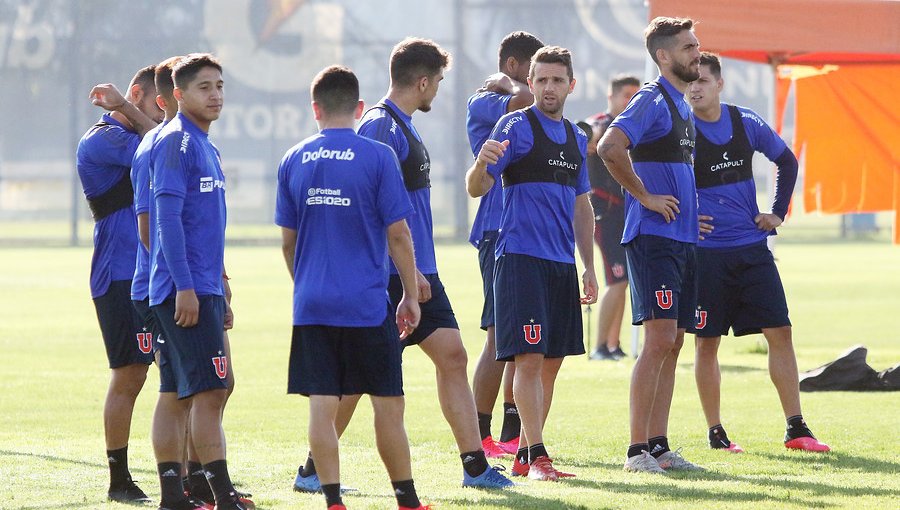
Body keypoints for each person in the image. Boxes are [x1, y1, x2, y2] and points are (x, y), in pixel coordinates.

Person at [293, 37, 512, 492]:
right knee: (358, 379)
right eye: (439, 82)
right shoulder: (379, 128)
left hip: (418, 268)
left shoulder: (402, 125)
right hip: (392, 274)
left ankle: (475, 466)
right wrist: (408, 278)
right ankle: (313, 470)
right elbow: (366, 204)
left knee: (452, 354)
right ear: (423, 80)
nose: (439, 90)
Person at [276, 64, 427, 510]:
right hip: (365, 303)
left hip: (312, 304)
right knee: (387, 404)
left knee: (322, 406)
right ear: (360, 108)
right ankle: (407, 500)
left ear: (315, 109)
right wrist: (411, 295)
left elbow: (288, 242)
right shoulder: (377, 156)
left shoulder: (293, 158)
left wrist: (305, 283)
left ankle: (333, 500)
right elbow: (398, 234)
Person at [466, 45, 598, 481]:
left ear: (570, 86)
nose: (547, 87)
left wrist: (589, 266)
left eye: (557, 80)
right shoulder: (515, 126)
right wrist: (479, 166)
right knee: (528, 358)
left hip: (560, 263)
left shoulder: (578, 139)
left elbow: (582, 207)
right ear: (531, 83)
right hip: (520, 258)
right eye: (540, 79)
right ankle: (539, 456)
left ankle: (525, 453)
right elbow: (477, 187)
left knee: (552, 362)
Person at [687, 52, 830, 454]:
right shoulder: (679, 129)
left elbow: (786, 159)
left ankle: (796, 428)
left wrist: (777, 213)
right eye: (689, 82)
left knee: (780, 332)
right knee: (706, 342)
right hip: (706, 254)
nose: (694, 87)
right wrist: (685, 219)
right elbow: (652, 176)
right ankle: (716, 433)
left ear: (720, 84)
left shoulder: (743, 122)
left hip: (751, 249)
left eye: (702, 80)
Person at [597, 16, 705, 474]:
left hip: (682, 238)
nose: (696, 53)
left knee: (675, 340)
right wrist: (643, 196)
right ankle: (636, 451)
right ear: (663, 56)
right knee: (659, 339)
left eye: (696, 45)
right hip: (653, 238)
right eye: (687, 47)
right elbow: (609, 147)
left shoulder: (682, 107)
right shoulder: (651, 98)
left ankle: (658, 446)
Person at [148, 53, 253, 510]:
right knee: (212, 391)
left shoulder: (206, 145)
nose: (215, 95)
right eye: (204, 87)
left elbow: (204, 223)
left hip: (202, 285)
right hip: (182, 290)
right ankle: (223, 496)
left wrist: (219, 282)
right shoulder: (177, 143)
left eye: (219, 86)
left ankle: (174, 497)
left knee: (176, 393)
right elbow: (165, 221)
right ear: (179, 95)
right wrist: (186, 287)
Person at [75, 64, 162, 503]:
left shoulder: (146, 130)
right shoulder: (102, 138)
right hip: (120, 274)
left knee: (193, 378)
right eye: (155, 104)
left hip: (158, 274)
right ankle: (118, 479)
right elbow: (158, 147)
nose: (162, 114)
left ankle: (195, 472)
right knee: (130, 375)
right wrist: (126, 107)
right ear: (135, 94)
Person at [466, 30, 544, 458]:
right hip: (498, 228)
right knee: (499, 337)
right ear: (514, 67)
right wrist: (508, 84)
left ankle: (514, 435)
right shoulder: (485, 99)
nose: (543, 85)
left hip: (527, 230)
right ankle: (479, 435)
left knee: (524, 343)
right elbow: (524, 102)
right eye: (534, 73)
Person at [583, 75, 641, 361]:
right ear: (612, 97)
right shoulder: (602, 124)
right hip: (604, 215)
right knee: (616, 279)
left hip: (625, 214)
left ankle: (613, 344)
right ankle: (599, 348)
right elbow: (588, 134)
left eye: (635, 95)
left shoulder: (634, 128)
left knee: (625, 280)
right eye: (626, 95)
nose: (631, 100)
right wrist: (592, 139)